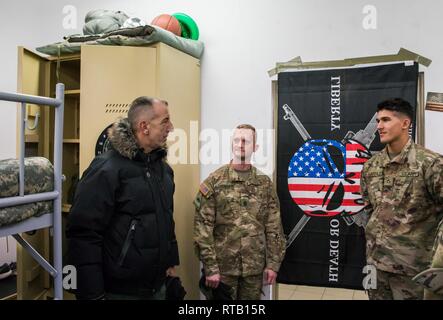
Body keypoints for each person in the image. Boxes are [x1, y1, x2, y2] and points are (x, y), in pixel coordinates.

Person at [66, 96, 178, 300]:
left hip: (157, 287)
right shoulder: (105, 169)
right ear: (144, 126)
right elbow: (83, 235)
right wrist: (92, 295)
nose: (171, 127)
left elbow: (166, 220)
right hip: (119, 292)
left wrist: (170, 263)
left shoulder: (163, 170)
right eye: (165, 121)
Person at [360, 98, 443, 300]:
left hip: (413, 270)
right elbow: (370, 211)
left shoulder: (430, 164)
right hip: (376, 265)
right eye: (378, 120)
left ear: (405, 123)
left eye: (386, 120)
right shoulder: (371, 166)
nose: (379, 126)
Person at [193, 124, 286, 300]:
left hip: (254, 270)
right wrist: (210, 267)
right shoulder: (214, 182)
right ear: (231, 144)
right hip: (222, 270)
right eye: (236, 140)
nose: (240, 144)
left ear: (255, 147)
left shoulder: (264, 184)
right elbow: (202, 228)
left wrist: (273, 264)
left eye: (246, 141)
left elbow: (274, 226)